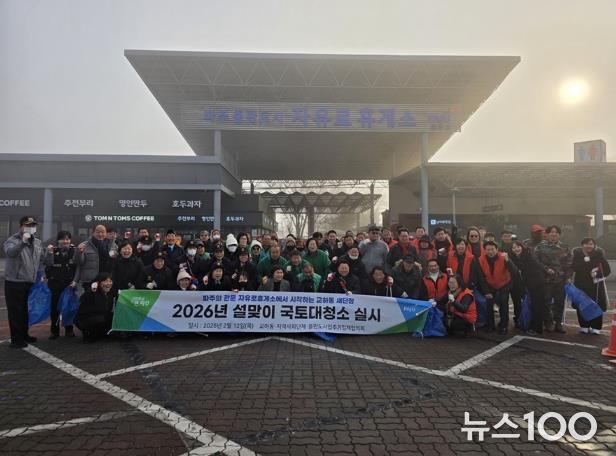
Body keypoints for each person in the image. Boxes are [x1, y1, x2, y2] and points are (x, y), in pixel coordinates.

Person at [3, 216, 45, 348]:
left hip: (30, 281)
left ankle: (24, 334)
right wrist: (23, 242)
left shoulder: (37, 242)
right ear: (21, 226)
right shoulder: (12, 240)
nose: (31, 228)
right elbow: (11, 253)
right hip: (14, 281)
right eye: (28, 225)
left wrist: (41, 273)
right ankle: (16, 339)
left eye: (33, 225)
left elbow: (41, 260)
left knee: (25, 310)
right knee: (16, 311)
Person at [535, 225, 572, 333]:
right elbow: (536, 262)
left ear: (559, 235)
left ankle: (558, 323)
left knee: (559, 303)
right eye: (551, 232)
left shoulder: (565, 247)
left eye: (556, 232)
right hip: (546, 280)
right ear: (547, 234)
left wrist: (568, 277)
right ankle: (548, 322)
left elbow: (569, 264)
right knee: (546, 302)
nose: (554, 234)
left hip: (560, 280)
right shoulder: (540, 247)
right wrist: (546, 269)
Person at [571, 238, 611, 334]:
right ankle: (584, 325)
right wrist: (585, 262)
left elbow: (607, 270)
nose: (588, 246)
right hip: (581, 284)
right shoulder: (577, 255)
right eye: (586, 244)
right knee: (582, 305)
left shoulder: (599, 256)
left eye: (591, 244)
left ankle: (596, 327)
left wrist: (597, 274)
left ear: (594, 245)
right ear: (582, 245)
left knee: (596, 305)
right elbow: (574, 267)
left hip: (595, 286)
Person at [477, 241, 518, 335]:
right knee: (489, 302)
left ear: (497, 249)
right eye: (488, 250)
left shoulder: (503, 257)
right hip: (490, 285)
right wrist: (486, 291)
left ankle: (504, 325)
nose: (490, 252)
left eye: (492, 249)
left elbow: (514, 271)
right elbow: (481, 277)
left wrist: (508, 261)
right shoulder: (480, 260)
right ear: (485, 250)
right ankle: (490, 325)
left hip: (504, 284)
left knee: (503, 301)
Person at [44, 230, 77, 339]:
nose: (65, 241)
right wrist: (49, 253)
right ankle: (54, 331)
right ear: (58, 240)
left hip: (69, 284)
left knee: (69, 307)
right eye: (62, 239)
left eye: (67, 239)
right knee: (55, 308)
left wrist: (75, 281)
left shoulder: (74, 251)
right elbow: (47, 263)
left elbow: (78, 266)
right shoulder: (52, 250)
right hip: (55, 283)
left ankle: (69, 330)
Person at [510, 240, 546, 335]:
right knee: (531, 305)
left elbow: (537, 266)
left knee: (537, 305)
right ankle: (530, 325)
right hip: (528, 284)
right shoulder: (515, 258)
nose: (516, 249)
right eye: (513, 248)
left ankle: (537, 328)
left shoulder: (528, 256)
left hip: (537, 284)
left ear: (522, 247)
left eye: (518, 247)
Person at [74, 224, 117, 291]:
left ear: (106, 233)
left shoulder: (112, 245)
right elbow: (79, 262)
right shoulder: (84, 245)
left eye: (102, 232)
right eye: (97, 232)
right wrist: (79, 252)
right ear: (93, 233)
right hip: (91, 280)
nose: (100, 234)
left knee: (106, 297)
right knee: (90, 297)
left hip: (107, 280)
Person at [74, 272, 115, 343]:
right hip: (86, 318)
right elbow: (83, 299)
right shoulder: (93, 291)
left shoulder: (110, 293)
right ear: (98, 282)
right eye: (106, 281)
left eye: (110, 281)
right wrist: (91, 290)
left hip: (100, 316)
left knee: (112, 317)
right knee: (100, 320)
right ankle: (88, 333)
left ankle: (98, 333)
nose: (108, 283)